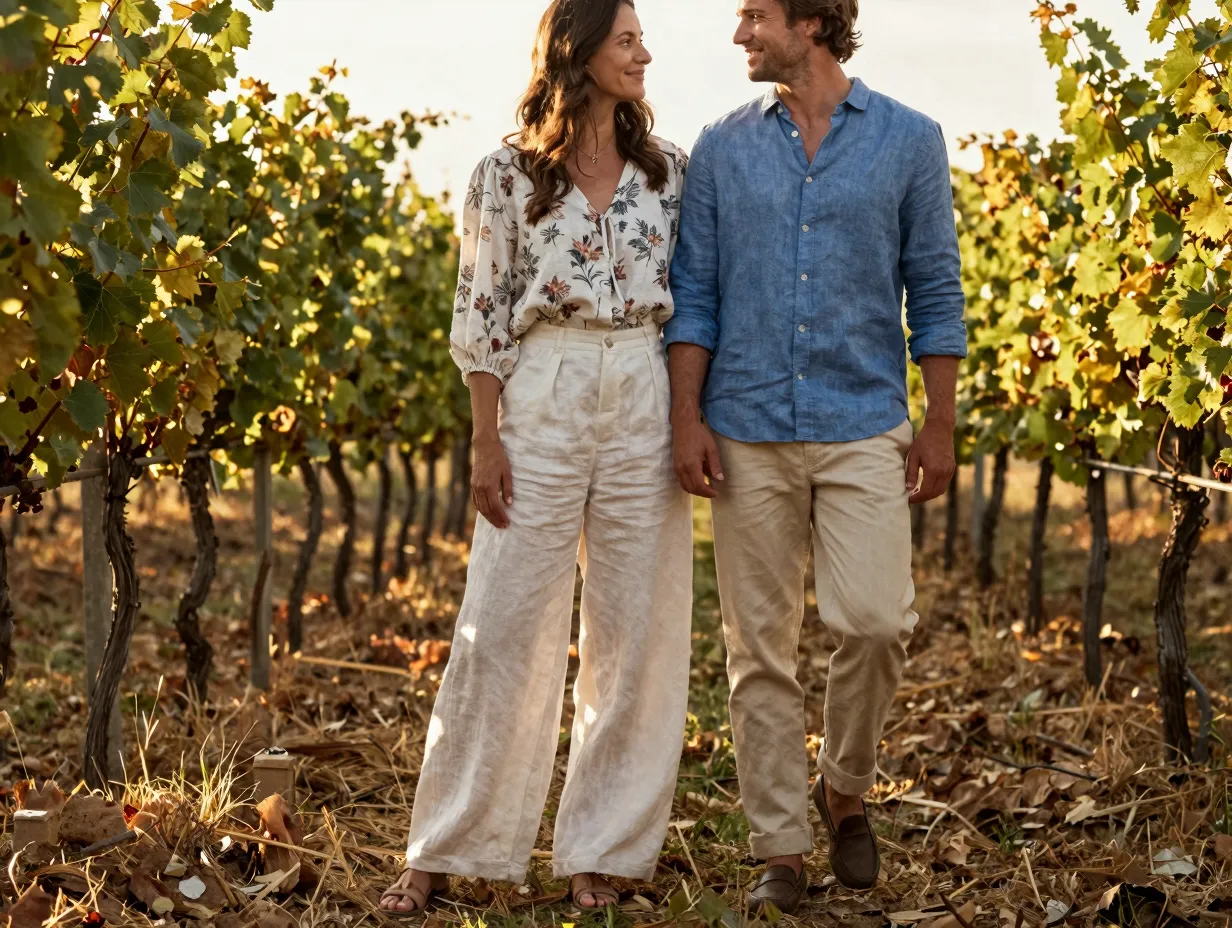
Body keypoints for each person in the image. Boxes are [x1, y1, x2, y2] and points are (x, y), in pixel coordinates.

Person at [379, 0, 693, 915]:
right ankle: (442, 847)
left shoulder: (668, 171)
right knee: (502, 622)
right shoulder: (503, 175)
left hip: (640, 378)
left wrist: (683, 413)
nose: (644, 53)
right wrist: (486, 440)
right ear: (581, 49)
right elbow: (479, 315)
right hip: (542, 390)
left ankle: (603, 851)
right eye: (627, 38)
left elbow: (691, 299)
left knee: (637, 633)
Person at [664, 0, 967, 914]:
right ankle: (781, 850)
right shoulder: (719, 146)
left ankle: (843, 786)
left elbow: (937, 287)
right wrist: (687, 413)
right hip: (745, 426)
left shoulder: (910, 141)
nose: (739, 34)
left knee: (875, 621)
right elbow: (696, 294)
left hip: (863, 422)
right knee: (758, 650)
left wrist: (941, 419)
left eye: (755, 14)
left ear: (812, 20)